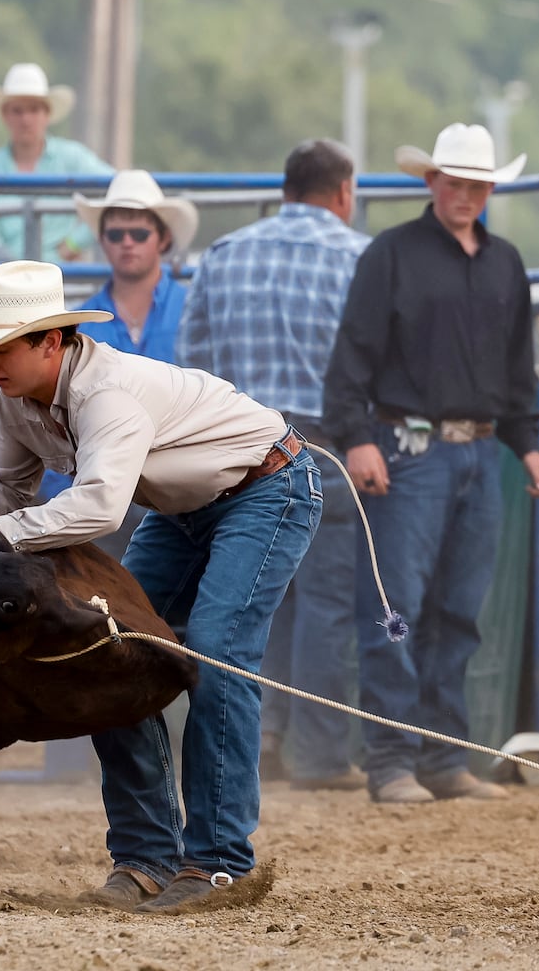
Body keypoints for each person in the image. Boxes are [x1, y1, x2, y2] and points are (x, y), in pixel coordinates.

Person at [0, 260, 320, 913]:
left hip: (266, 489)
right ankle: (146, 858)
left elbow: (101, 508)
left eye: (2, 348)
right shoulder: (14, 400)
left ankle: (219, 865)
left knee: (215, 654)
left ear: (51, 341)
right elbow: (3, 483)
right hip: (183, 509)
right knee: (107, 650)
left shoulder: (108, 394)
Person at [323, 123, 539, 805]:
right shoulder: (390, 255)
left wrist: (528, 441)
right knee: (397, 608)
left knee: (458, 609)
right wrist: (356, 436)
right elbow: (351, 357)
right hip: (407, 450)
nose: (466, 193)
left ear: (488, 189)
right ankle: (392, 758)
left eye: (477, 184)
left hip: (481, 451)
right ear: (432, 183)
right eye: (455, 181)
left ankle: (443, 757)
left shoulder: (505, 262)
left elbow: (519, 369)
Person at [178, 138, 369, 792]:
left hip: (233, 441)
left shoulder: (224, 255)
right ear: (342, 193)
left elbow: (191, 362)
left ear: (285, 190)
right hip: (320, 439)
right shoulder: (358, 258)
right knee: (324, 601)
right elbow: (368, 365)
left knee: (248, 594)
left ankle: (251, 739)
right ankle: (316, 752)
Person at [0, 63, 112, 264]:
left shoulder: (72, 158)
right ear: (5, 115)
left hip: (60, 276)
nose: (25, 120)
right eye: (17, 111)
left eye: (34, 110)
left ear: (47, 114)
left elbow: (118, 191)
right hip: (5, 278)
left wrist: (76, 242)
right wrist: (4, 262)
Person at [72, 169, 198, 363]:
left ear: (164, 239)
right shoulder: (80, 325)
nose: (127, 242)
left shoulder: (194, 308)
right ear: (102, 240)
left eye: (140, 234)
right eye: (116, 235)